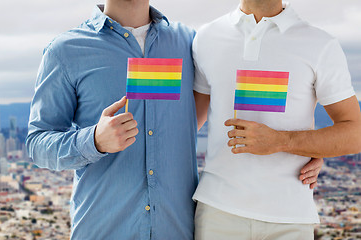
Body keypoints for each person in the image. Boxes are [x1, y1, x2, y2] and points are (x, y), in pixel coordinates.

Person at [26, 0, 199, 238]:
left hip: (176, 231)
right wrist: (94, 141)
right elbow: (37, 145)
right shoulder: (66, 50)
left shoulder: (189, 43)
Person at [192, 0, 361, 239]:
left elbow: (355, 134)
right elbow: (186, 125)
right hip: (217, 213)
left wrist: (283, 141)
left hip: (290, 220)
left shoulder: (319, 44)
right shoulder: (206, 37)